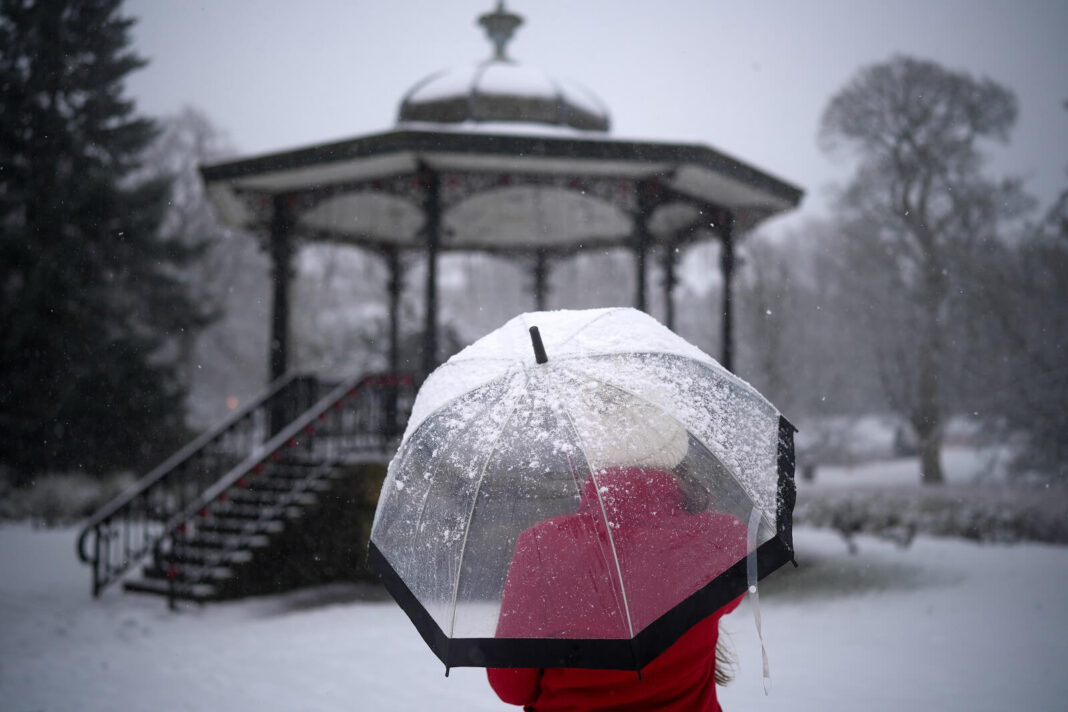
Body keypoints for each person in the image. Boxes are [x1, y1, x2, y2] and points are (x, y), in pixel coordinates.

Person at [487, 399, 748, 711]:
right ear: (676, 454)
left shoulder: (544, 545)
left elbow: (511, 685)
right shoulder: (723, 538)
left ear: (596, 453)